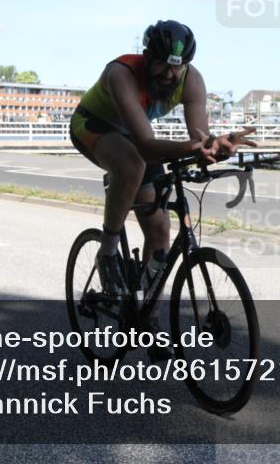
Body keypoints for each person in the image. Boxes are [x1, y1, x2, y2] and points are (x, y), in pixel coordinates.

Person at [69, 21, 255, 358]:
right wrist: (193, 148)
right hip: (93, 126)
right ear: (147, 56)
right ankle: (107, 250)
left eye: (177, 67)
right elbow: (146, 145)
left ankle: (148, 321)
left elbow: (200, 137)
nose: (170, 74)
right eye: (163, 65)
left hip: (135, 136)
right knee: (132, 164)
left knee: (159, 231)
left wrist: (216, 146)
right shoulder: (122, 73)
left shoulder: (191, 80)